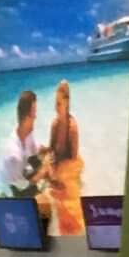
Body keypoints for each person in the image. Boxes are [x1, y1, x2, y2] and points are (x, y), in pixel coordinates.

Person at [47, 80, 85, 234]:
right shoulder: (55, 124)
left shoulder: (72, 128)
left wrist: (60, 178)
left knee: (73, 219)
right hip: (59, 166)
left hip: (70, 169)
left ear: (67, 102)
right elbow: (51, 150)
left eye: (59, 103)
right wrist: (49, 168)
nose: (56, 107)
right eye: (55, 103)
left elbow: (73, 161)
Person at [0, 87, 45, 199]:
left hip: (21, 172)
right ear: (26, 117)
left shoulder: (25, 131)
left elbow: (35, 149)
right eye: (34, 113)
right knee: (43, 205)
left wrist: (47, 150)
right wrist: (43, 172)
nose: (36, 117)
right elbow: (23, 185)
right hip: (13, 189)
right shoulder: (14, 155)